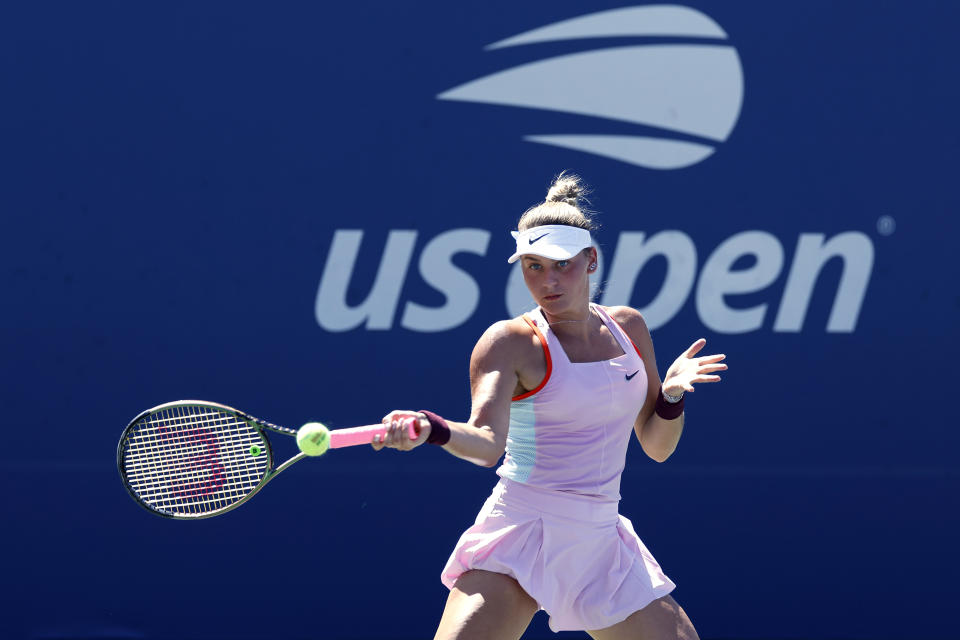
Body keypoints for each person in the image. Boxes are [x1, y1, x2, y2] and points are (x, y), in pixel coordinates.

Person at [372, 173, 727, 640]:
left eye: (561, 264)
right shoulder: (510, 342)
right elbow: (484, 445)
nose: (548, 280)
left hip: (600, 541)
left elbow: (657, 447)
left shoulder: (629, 330)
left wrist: (672, 397)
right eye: (533, 266)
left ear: (591, 260)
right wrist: (434, 428)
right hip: (521, 530)